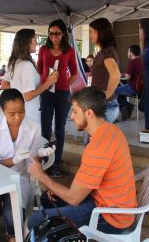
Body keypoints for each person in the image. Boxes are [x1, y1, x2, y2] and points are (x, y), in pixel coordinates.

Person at [28, 87, 137, 234]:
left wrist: (41, 175)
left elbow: (74, 199)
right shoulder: (110, 130)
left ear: (89, 113)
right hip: (107, 203)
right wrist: (59, 188)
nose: (71, 116)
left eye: (74, 111)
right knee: (48, 199)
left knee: (35, 220)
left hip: (111, 217)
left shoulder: (98, 147)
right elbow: (86, 180)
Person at [0, 89, 55, 242]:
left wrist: (39, 155)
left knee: (12, 215)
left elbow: (31, 163)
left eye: (21, 111)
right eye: (12, 114)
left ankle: (12, 236)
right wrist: (13, 160)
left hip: (20, 176)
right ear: (2, 111)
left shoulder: (33, 127)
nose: (18, 117)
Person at [38, 19, 78, 178]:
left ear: (63, 34)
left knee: (59, 129)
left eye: (57, 33)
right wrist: (45, 85)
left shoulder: (69, 51)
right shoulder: (43, 49)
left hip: (62, 94)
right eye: (51, 33)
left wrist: (63, 84)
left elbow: (74, 73)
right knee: (45, 128)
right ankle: (45, 160)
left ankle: (56, 164)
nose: (54, 36)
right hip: (46, 93)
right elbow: (40, 70)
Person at [2, 29, 58, 123]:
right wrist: (48, 82)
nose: (36, 43)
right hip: (28, 113)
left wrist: (20, 88)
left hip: (20, 111)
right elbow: (28, 96)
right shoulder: (26, 65)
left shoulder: (14, 62)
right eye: (35, 40)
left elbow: (4, 85)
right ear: (27, 42)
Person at [89, 18, 121, 123]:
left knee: (96, 138)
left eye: (91, 32)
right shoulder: (103, 52)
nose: (90, 35)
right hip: (100, 104)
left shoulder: (107, 53)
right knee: (92, 139)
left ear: (100, 32)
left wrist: (106, 95)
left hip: (106, 106)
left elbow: (116, 75)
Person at [116, 45, 144, 121]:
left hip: (133, 88)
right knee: (122, 92)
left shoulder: (133, 62)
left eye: (128, 51)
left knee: (115, 91)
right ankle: (128, 109)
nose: (127, 53)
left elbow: (127, 77)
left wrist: (120, 75)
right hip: (143, 89)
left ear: (131, 53)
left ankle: (124, 108)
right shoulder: (142, 61)